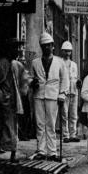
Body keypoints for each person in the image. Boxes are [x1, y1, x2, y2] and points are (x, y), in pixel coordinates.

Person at [0, 38, 29, 163]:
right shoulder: (1, 63)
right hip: (2, 102)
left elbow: (24, 79)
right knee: (1, 127)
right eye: (14, 48)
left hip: (12, 101)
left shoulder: (15, 64)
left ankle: (12, 155)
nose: (17, 51)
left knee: (13, 127)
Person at [28, 33, 69, 162]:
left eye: (49, 46)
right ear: (41, 47)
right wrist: (31, 82)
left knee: (50, 124)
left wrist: (62, 94)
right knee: (40, 124)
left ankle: (52, 151)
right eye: (44, 46)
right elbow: (29, 77)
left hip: (53, 95)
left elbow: (65, 80)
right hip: (39, 95)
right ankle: (41, 150)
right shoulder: (35, 62)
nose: (46, 48)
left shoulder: (59, 62)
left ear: (53, 46)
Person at [59, 41, 80, 143]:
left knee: (73, 114)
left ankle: (73, 134)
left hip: (74, 91)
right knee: (64, 114)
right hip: (64, 92)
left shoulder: (74, 65)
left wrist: (78, 82)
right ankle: (65, 135)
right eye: (66, 51)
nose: (68, 53)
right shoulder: (60, 63)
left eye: (69, 51)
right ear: (62, 51)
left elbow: (75, 78)